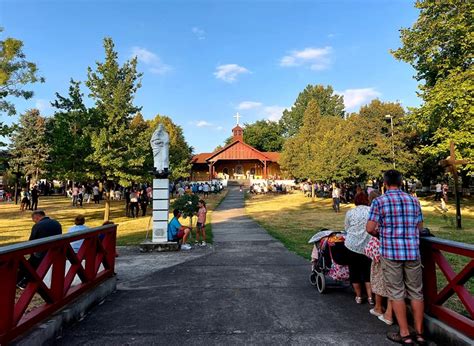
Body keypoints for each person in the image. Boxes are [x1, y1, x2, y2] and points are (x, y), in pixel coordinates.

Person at [367, 170, 425, 345]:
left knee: (397, 293)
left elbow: (370, 228)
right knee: (416, 292)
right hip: (413, 252)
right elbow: (420, 228)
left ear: (385, 183)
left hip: (391, 253)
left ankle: (405, 334)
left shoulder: (379, 201)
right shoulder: (414, 201)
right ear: (401, 183)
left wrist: (383, 234)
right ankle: (420, 334)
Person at [365, 190, 393, 326]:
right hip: (400, 250)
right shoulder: (410, 202)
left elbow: (370, 228)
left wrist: (378, 235)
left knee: (380, 278)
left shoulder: (376, 208)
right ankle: (384, 309)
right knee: (393, 282)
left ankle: (381, 308)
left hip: (380, 250)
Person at [17, 210, 63, 289]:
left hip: (41, 253)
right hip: (55, 251)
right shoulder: (57, 223)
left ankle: (22, 281)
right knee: (30, 263)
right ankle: (21, 281)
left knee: (28, 264)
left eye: (34, 220)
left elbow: (32, 241)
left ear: (36, 217)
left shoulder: (38, 226)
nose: (34, 222)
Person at [344, 191, 373, 304]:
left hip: (352, 245)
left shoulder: (350, 212)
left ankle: (359, 296)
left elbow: (346, 228)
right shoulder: (371, 211)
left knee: (354, 271)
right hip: (367, 246)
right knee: (368, 271)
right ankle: (370, 297)